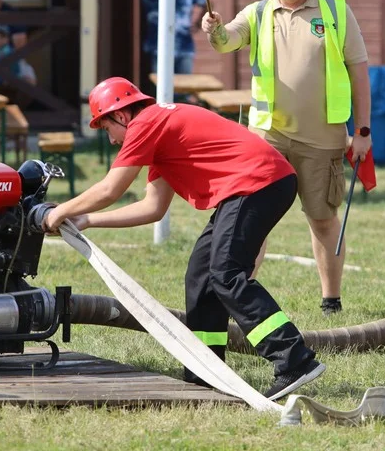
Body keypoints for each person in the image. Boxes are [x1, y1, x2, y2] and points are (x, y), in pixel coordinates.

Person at [43, 76, 325, 401]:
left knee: (226, 275)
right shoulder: (160, 132)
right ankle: (205, 372)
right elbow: (152, 208)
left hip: (257, 185)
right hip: (256, 185)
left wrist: (61, 210)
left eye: (107, 129)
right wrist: (87, 220)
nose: (111, 140)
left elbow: (111, 189)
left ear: (121, 116)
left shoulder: (145, 124)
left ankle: (294, 359)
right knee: (201, 278)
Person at [202, 0, 371, 316]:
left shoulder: (337, 11)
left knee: (323, 220)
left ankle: (331, 301)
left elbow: (359, 73)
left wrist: (362, 131)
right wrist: (212, 29)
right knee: (250, 222)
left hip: (322, 139)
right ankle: (238, 298)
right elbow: (226, 41)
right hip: (268, 138)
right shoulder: (257, 13)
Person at [0, 25, 36, 92]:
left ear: (7, 39)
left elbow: (15, 66)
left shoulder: (10, 50)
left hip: (13, 73)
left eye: (1, 38)